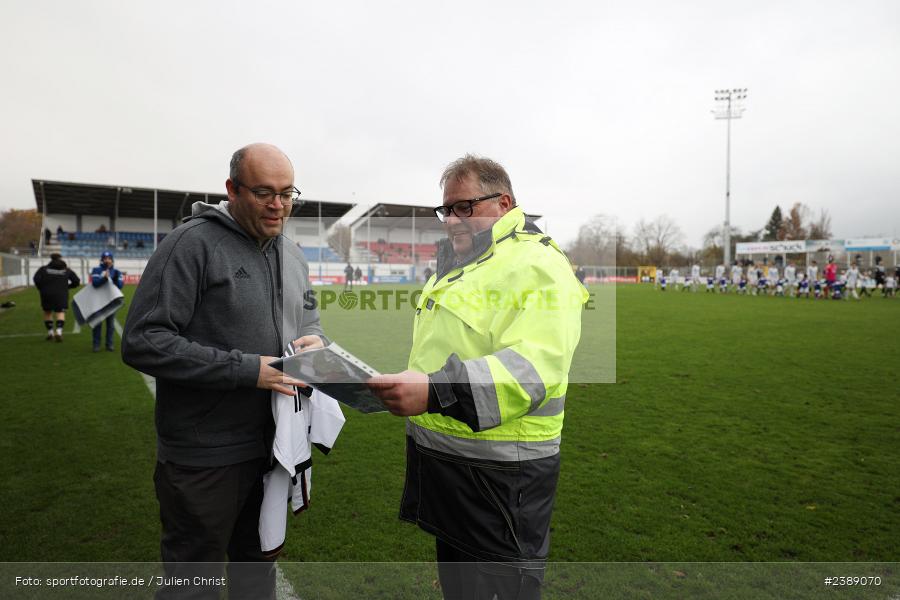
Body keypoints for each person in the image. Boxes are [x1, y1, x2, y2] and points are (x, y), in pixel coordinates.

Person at [367, 155, 586, 600]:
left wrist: (434, 392)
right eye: (446, 210)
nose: (451, 220)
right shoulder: (467, 259)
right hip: (452, 470)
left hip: (503, 479)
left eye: (464, 207)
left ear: (503, 203)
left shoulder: (536, 263)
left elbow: (533, 369)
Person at [122, 143, 324, 600]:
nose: (278, 205)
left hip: (274, 448)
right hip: (204, 454)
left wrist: (316, 340)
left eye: (287, 193)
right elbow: (143, 341)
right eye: (264, 192)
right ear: (232, 189)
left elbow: (309, 319)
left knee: (258, 575)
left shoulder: (293, 254)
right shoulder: (190, 244)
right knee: (193, 584)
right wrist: (247, 370)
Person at [32, 253, 80, 342]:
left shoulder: (43, 269)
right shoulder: (66, 270)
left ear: (51, 259)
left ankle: (50, 333)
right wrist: (68, 287)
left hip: (46, 293)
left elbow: (36, 279)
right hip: (61, 294)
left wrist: (41, 288)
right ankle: (59, 332)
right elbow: (76, 281)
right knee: (60, 312)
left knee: (47, 312)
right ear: (60, 259)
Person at [89, 251, 124, 352]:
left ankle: (109, 344)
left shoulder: (116, 271)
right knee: (97, 324)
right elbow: (95, 284)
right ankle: (96, 344)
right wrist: (104, 278)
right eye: (105, 258)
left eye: (109, 258)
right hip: (98, 302)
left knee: (110, 325)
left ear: (112, 260)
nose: (107, 260)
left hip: (111, 302)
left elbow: (120, 286)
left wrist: (116, 278)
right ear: (102, 259)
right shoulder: (96, 270)